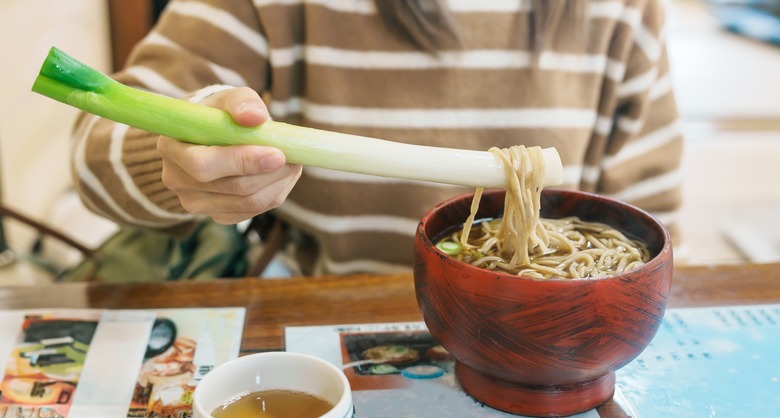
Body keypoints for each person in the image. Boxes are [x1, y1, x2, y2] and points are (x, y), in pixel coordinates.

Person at [70, 0, 683, 276]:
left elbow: (653, 230)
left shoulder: (621, 11)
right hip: (323, 326)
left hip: (545, 340)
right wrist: (184, 146)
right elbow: (92, 153)